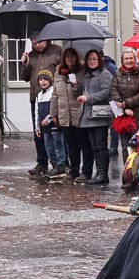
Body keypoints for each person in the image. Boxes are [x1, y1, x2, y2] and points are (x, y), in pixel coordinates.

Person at [21, 35, 62, 176]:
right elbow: (25, 77)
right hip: (37, 97)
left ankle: (60, 162)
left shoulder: (57, 51)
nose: (37, 44)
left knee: (56, 132)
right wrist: (25, 65)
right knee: (38, 131)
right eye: (34, 41)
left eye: (40, 41)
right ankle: (42, 162)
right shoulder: (30, 55)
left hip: (54, 97)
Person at [50, 48, 89, 181]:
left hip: (78, 113)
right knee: (71, 144)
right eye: (67, 57)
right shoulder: (58, 73)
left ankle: (86, 171)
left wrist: (75, 85)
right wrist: (53, 113)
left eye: (73, 57)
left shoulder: (82, 72)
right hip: (64, 114)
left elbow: (83, 91)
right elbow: (55, 94)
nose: (70, 60)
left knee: (83, 143)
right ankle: (74, 170)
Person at [77, 49, 114, 185]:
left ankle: (103, 174)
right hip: (88, 116)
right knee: (94, 147)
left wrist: (89, 97)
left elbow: (106, 92)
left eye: (94, 59)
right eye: (89, 59)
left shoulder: (105, 74)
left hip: (99, 116)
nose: (92, 62)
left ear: (99, 60)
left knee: (100, 146)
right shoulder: (87, 76)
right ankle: (98, 172)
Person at [110, 48, 139, 165]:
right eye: (126, 58)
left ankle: (138, 173)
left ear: (135, 59)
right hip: (122, 117)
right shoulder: (117, 74)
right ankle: (127, 174)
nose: (129, 61)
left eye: (131, 58)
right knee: (125, 147)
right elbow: (113, 91)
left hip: (138, 116)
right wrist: (124, 107)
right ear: (122, 60)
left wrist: (127, 103)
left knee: (138, 147)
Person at [34, 70, 66, 178]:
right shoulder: (39, 95)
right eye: (41, 80)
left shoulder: (53, 92)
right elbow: (37, 111)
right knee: (48, 146)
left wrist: (49, 118)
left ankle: (61, 164)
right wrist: (37, 127)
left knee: (58, 144)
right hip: (44, 127)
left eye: (45, 80)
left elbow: (55, 107)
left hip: (53, 124)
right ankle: (54, 164)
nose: (43, 82)